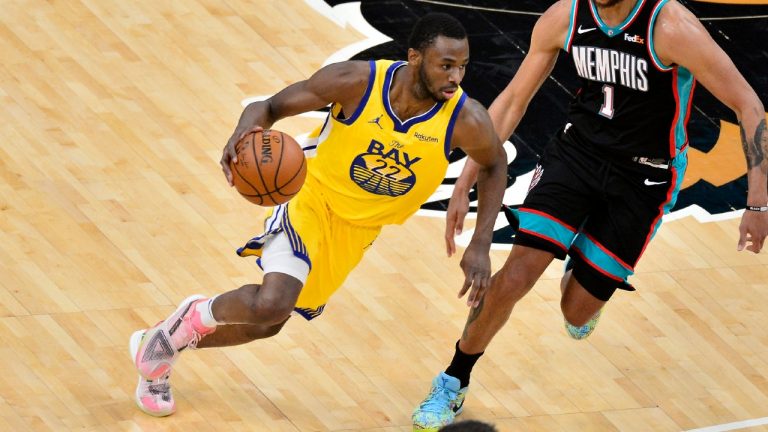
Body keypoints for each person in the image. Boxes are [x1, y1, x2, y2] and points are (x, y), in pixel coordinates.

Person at [127, 12, 507, 417]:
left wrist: (481, 241)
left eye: (462, 66)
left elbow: (494, 164)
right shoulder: (356, 82)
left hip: (358, 230)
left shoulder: (466, 120)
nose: (456, 77)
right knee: (273, 302)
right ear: (415, 57)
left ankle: (164, 343)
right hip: (311, 198)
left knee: (267, 324)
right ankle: (185, 322)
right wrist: (242, 134)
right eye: (445, 65)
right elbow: (268, 106)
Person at [412, 0, 768, 429]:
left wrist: (758, 202)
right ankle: (454, 378)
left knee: (575, 312)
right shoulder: (566, 16)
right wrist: (470, 174)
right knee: (517, 273)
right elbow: (513, 100)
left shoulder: (671, 27)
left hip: (644, 178)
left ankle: (581, 263)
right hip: (576, 155)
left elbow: (749, 105)